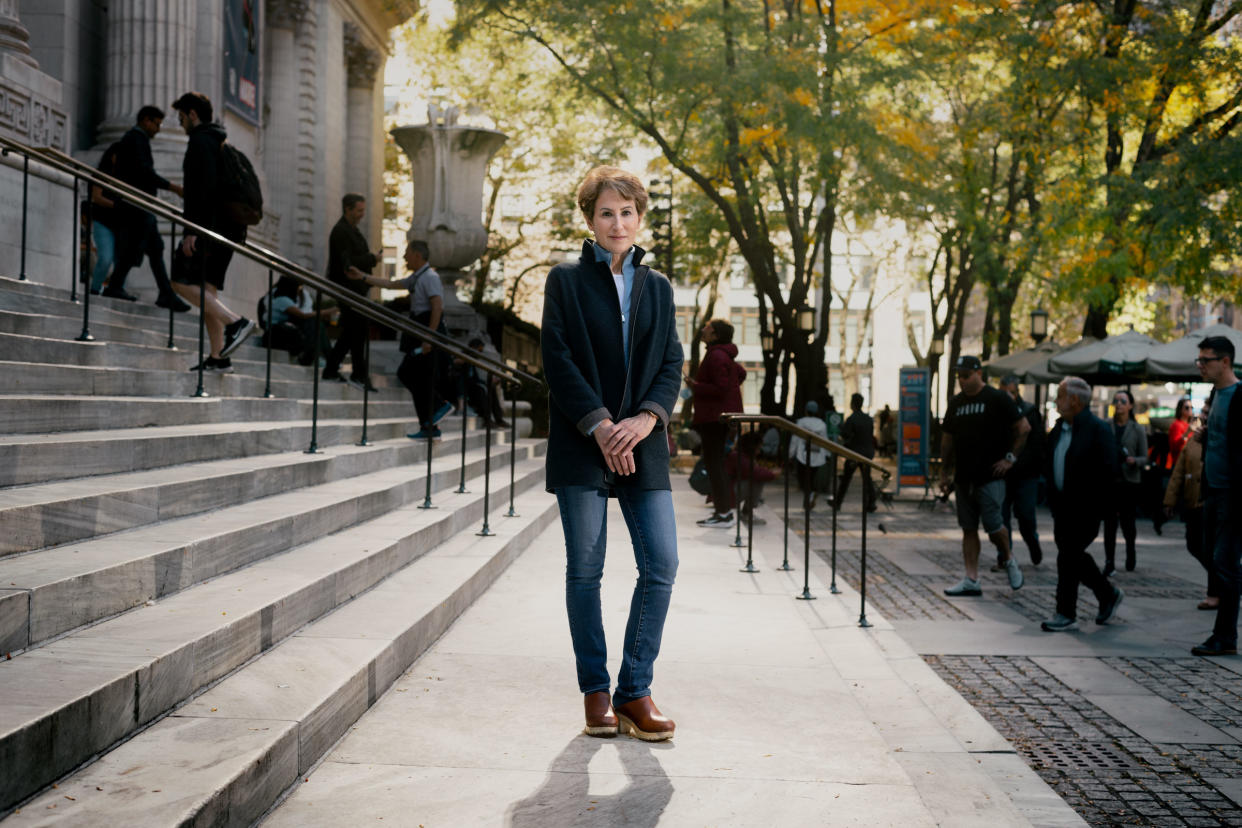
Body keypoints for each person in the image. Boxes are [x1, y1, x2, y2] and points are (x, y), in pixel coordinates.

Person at [540, 166, 682, 741]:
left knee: (662, 564)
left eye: (627, 212)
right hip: (582, 444)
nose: (617, 222)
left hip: (642, 445)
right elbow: (557, 359)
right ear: (590, 220)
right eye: (606, 212)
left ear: (639, 217)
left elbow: (672, 362)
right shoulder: (565, 281)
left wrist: (644, 420)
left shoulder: (660, 287)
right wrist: (601, 426)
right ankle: (595, 693)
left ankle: (634, 691)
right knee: (586, 569)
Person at [169, 92, 255, 371]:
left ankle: (237, 323)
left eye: (181, 117)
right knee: (207, 292)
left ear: (193, 114)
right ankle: (219, 357)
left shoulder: (200, 142)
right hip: (228, 229)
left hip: (208, 228)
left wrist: (192, 230)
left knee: (179, 281)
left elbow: (201, 190)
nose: (180, 123)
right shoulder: (220, 141)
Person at [939, 355, 1029, 596]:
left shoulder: (997, 398)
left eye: (966, 376)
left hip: (990, 476)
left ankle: (1008, 559)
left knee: (993, 526)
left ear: (979, 374)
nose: (962, 381)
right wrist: (944, 472)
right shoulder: (956, 403)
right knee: (968, 528)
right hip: (964, 477)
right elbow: (947, 439)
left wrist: (1010, 459)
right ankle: (971, 578)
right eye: (959, 376)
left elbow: (1023, 428)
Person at [1040, 377, 1124, 631]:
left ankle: (1066, 612)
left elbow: (1110, 470)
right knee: (1071, 556)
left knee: (1068, 556)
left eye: (1060, 395)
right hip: (1062, 508)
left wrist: (1101, 507)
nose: (1056, 400)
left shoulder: (1097, 429)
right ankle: (1106, 594)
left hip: (1086, 509)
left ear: (1074, 400)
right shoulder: (1058, 428)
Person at [352, 240, 455, 439]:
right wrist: (363, 277)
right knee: (415, 376)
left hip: (426, 329)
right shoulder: (417, 277)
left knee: (409, 372)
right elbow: (391, 284)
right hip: (418, 327)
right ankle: (428, 425)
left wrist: (429, 337)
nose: (404, 257)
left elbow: (437, 307)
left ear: (417, 255)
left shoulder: (430, 277)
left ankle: (440, 405)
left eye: (407, 253)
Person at [107, 105, 191, 311]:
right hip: (136, 205)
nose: (159, 129)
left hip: (138, 204)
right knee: (139, 249)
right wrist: (172, 187)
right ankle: (121, 286)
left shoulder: (135, 139)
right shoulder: (135, 139)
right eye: (157, 123)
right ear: (146, 120)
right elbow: (144, 172)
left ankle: (164, 293)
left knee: (154, 248)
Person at [1191, 336, 1242, 657]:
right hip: (1213, 489)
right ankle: (1223, 633)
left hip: (1234, 494)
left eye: (1205, 360)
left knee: (1224, 563)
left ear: (1225, 362)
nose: (1201, 366)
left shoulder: (1240, 396)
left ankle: (1224, 637)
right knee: (1202, 547)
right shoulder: (1214, 394)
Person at [685, 318, 745, 528]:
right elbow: (740, 373)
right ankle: (723, 512)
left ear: (716, 335)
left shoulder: (717, 355)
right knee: (714, 464)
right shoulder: (721, 354)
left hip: (714, 418)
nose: (703, 329)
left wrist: (696, 386)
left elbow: (721, 387)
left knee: (714, 465)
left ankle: (724, 513)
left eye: (707, 328)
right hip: (717, 417)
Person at [323, 193, 379, 391]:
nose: (362, 214)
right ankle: (357, 374)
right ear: (348, 209)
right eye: (359, 210)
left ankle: (339, 371)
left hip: (355, 288)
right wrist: (371, 260)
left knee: (353, 330)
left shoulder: (352, 231)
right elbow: (348, 263)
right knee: (357, 328)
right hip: (346, 288)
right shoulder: (341, 232)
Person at [1164, 401, 1216, 611]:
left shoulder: (1220, 438)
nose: (1201, 415)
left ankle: (1216, 591)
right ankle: (1223, 578)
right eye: (1201, 412)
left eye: (1205, 412)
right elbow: (1178, 471)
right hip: (1192, 501)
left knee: (1211, 547)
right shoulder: (1194, 438)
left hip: (1211, 502)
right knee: (1193, 544)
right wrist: (1169, 500)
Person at [998, 375, 1046, 566]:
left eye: (1009, 393)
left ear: (1016, 392)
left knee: (1025, 516)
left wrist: (1017, 463)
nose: (1006, 397)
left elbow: (1037, 445)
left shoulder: (1029, 412)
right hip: (1003, 475)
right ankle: (1005, 557)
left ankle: (1032, 543)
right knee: (1002, 518)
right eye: (1002, 393)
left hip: (1025, 475)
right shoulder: (998, 413)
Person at [1103, 388, 1147, 575]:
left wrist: (1134, 461)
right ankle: (1109, 561)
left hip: (1129, 481)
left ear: (1130, 405)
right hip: (1110, 481)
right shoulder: (1106, 426)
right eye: (1116, 401)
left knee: (1128, 523)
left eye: (1122, 401)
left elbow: (1144, 457)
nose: (1119, 404)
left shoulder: (1137, 429)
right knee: (1109, 524)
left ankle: (1130, 552)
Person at [260, 275, 335, 365]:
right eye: (298, 287)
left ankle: (323, 357)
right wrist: (329, 311)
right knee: (312, 322)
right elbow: (302, 315)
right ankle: (319, 357)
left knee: (315, 324)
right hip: (275, 335)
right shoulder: (281, 300)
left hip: (285, 333)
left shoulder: (287, 299)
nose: (299, 290)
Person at [453, 337, 509, 428]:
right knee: (481, 390)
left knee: (491, 387)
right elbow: (456, 367)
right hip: (465, 389)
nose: (479, 354)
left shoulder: (473, 361)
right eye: (478, 350)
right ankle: (487, 420)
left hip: (473, 385)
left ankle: (499, 419)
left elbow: (476, 378)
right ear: (473, 348)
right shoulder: (463, 357)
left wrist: (488, 382)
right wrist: (464, 360)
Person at [835, 392, 877, 512]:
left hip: (854, 453)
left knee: (846, 478)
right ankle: (871, 502)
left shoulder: (852, 419)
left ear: (853, 404)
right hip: (867, 453)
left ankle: (838, 502)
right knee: (867, 478)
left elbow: (845, 434)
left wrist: (840, 427)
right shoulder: (868, 419)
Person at [726, 428, 777, 524]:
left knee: (756, 478)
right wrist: (773, 473)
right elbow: (755, 473)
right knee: (756, 480)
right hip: (728, 494)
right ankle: (747, 513)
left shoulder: (742, 456)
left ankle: (747, 512)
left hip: (729, 492)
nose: (759, 451)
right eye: (758, 447)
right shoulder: (738, 457)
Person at [789, 401, 829, 510]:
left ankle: (808, 498)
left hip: (802, 454)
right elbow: (825, 441)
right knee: (811, 478)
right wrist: (827, 455)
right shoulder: (822, 424)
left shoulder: (801, 422)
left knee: (803, 480)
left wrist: (791, 454)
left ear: (806, 410)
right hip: (817, 456)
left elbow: (795, 440)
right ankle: (809, 499)